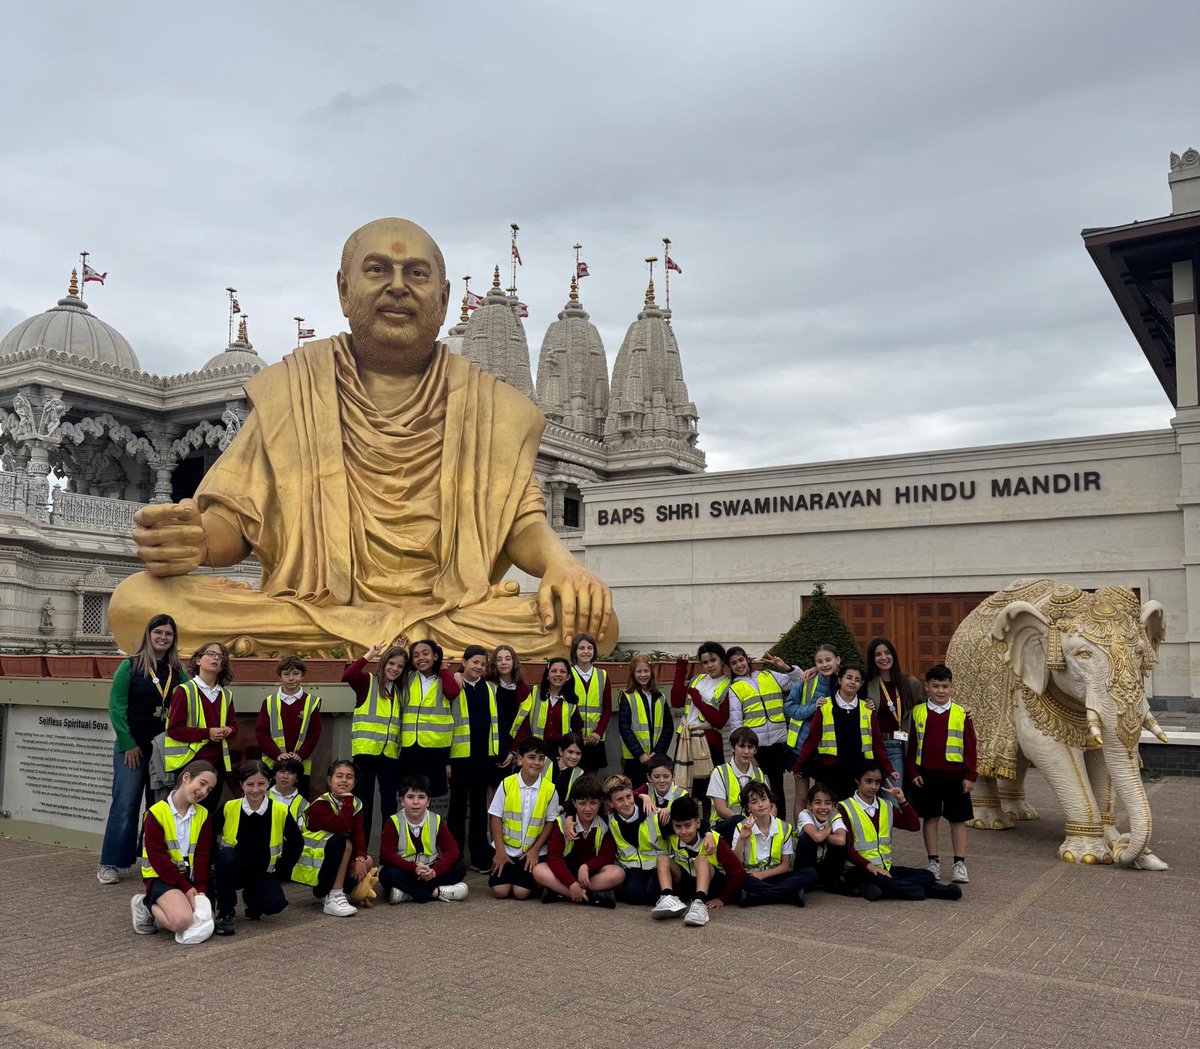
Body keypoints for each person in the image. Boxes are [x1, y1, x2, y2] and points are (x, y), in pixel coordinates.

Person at [111, 217, 618, 660]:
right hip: (316, 607)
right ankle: (404, 642)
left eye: (416, 274)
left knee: (592, 623)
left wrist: (563, 566)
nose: (398, 287)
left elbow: (522, 524)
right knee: (137, 603)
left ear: (442, 299)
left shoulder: (493, 409)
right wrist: (194, 541)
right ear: (344, 290)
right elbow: (235, 521)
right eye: (378, 270)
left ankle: (397, 638)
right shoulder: (293, 391)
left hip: (452, 609)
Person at [99, 613, 187, 885]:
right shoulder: (131, 666)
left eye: (168, 634)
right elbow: (116, 707)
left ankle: (154, 859)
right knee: (125, 804)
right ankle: (111, 862)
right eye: (158, 632)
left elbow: (184, 709)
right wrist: (127, 743)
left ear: (173, 640)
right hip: (133, 748)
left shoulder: (178, 672)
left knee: (159, 806)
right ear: (148, 635)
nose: (163, 637)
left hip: (162, 751)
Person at [839, 763, 961, 902]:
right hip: (858, 869)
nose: (873, 786)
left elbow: (914, 825)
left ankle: (876, 889)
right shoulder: (845, 807)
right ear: (857, 781)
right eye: (868, 781)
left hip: (885, 868)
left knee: (927, 875)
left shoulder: (885, 805)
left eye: (877, 782)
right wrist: (870, 866)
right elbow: (847, 848)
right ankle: (938, 891)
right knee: (906, 888)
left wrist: (902, 801)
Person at [130, 760, 218, 938]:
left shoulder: (203, 815)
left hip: (189, 877)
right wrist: (186, 888)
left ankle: (176, 903)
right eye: (202, 783)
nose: (203, 792)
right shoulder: (155, 813)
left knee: (205, 922)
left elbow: (202, 857)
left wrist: (200, 890)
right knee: (182, 922)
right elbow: (158, 860)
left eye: (209, 789)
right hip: (162, 877)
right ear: (186, 778)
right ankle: (146, 904)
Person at [214, 760, 303, 935]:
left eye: (261, 784)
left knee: (275, 904)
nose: (255, 789)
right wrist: (212, 863)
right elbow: (209, 836)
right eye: (250, 784)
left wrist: (282, 869)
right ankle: (226, 911)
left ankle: (252, 900)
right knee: (225, 856)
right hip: (233, 869)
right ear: (241, 785)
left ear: (269, 783)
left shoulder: (280, 810)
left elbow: (296, 842)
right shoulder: (229, 808)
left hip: (262, 872)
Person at [907, 664, 976, 884]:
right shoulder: (917, 713)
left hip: (955, 776)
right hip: (927, 776)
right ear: (926, 687)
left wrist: (970, 775)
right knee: (931, 818)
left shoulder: (961, 714)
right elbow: (911, 745)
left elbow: (970, 747)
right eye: (935, 686)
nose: (940, 691)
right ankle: (933, 862)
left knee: (958, 820)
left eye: (945, 686)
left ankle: (959, 863)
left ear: (951, 687)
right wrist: (912, 770)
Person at [726, 646, 810, 821]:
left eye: (741, 660)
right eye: (734, 663)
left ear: (747, 659)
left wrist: (786, 667)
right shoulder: (735, 688)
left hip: (778, 744)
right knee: (758, 793)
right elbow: (736, 724)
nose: (739, 665)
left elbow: (800, 681)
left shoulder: (768, 675)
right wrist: (745, 753)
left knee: (778, 790)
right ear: (730, 667)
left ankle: (780, 828)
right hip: (757, 748)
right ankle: (761, 830)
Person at [793, 666, 895, 801]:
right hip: (830, 769)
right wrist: (799, 764)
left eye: (857, 680)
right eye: (849, 677)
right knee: (830, 810)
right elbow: (812, 739)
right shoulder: (825, 706)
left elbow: (876, 742)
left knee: (853, 811)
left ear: (861, 684)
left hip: (858, 769)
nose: (853, 682)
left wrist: (889, 769)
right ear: (840, 680)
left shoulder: (867, 708)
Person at [343, 640, 407, 848]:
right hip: (365, 755)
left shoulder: (400, 692)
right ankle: (360, 853)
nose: (394, 669)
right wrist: (370, 654)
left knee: (389, 807)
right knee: (364, 806)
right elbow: (348, 675)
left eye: (399, 666)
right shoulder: (367, 682)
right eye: (391, 663)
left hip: (389, 756)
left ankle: (388, 853)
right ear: (383, 663)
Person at [163, 641, 237, 824]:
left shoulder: (225, 695)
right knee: (183, 813)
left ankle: (202, 852)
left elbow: (234, 728)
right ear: (198, 660)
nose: (215, 659)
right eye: (211, 654)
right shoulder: (184, 691)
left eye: (220, 657)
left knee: (206, 814)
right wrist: (208, 733)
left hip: (216, 764)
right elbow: (174, 730)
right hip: (190, 763)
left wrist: (229, 730)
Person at [650, 795, 746, 927]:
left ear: (698, 823)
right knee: (662, 858)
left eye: (688, 826)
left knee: (701, 860)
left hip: (711, 885)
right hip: (686, 882)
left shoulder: (715, 840)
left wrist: (723, 899)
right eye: (678, 826)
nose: (683, 832)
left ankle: (699, 904)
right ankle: (668, 897)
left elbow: (738, 872)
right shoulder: (671, 834)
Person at [293, 759, 372, 917]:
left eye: (349, 777)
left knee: (367, 860)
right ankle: (333, 896)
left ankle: (350, 892)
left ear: (355, 782)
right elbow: (340, 827)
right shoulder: (320, 804)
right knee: (344, 843)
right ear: (330, 781)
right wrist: (348, 800)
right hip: (317, 868)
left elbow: (359, 833)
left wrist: (361, 859)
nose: (344, 780)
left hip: (333, 861)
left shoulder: (356, 803)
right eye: (339, 776)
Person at [449, 645, 502, 872]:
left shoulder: (490, 688)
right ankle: (455, 855)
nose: (479, 667)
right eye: (475, 662)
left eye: (483, 664)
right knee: (457, 809)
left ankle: (480, 856)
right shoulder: (455, 686)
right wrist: (447, 761)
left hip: (483, 758)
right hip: (460, 758)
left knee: (481, 808)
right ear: (464, 662)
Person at [534, 774, 623, 906]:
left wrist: (586, 867)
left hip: (589, 876)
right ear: (574, 803)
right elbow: (554, 858)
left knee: (618, 873)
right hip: (564, 873)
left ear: (600, 803)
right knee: (539, 870)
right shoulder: (562, 823)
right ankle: (586, 895)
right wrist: (571, 883)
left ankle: (561, 893)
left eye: (593, 802)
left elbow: (607, 856)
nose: (588, 809)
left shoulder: (604, 824)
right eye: (582, 803)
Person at [488, 738, 559, 900]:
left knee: (521, 893)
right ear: (520, 759)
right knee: (500, 892)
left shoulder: (550, 790)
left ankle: (534, 881)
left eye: (541, 758)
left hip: (532, 852)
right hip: (505, 849)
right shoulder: (507, 784)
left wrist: (535, 850)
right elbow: (496, 817)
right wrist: (499, 851)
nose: (537, 762)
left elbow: (550, 823)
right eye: (532, 757)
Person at [380, 774, 468, 903]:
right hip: (407, 869)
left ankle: (407, 893)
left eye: (421, 797)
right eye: (410, 797)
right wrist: (414, 869)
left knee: (459, 868)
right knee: (386, 875)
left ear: (428, 802)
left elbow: (452, 851)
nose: (416, 802)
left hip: (430, 870)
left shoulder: (436, 820)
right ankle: (437, 892)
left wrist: (434, 872)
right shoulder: (393, 822)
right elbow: (386, 856)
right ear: (402, 801)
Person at [669, 642, 731, 813]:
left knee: (707, 791)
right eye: (705, 662)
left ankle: (708, 827)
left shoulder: (728, 685)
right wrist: (681, 670)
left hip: (709, 742)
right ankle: (689, 823)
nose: (710, 665)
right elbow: (676, 701)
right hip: (685, 738)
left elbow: (719, 720)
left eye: (713, 660)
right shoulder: (697, 680)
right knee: (687, 788)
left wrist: (697, 699)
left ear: (722, 660)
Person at [862, 637, 925, 801]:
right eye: (878, 654)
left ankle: (887, 827)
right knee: (870, 799)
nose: (883, 657)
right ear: (872, 659)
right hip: (871, 747)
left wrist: (962, 711)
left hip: (896, 747)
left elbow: (927, 708)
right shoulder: (867, 685)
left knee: (892, 800)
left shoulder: (909, 683)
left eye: (887, 653)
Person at [731, 781, 813, 906]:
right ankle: (790, 895)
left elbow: (785, 866)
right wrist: (742, 839)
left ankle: (755, 899)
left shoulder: (784, 827)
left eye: (764, 799)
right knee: (740, 881)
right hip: (751, 877)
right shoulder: (740, 828)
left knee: (810, 873)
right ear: (748, 808)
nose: (760, 804)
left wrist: (762, 875)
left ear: (770, 802)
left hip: (774, 874)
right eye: (754, 802)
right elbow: (736, 865)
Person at [784, 643, 841, 812]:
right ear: (815, 664)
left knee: (822, 798)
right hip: (802, 748)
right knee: (802, 797)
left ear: (838, 660)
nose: (824, 665)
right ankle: (799, 835)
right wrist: (812, 708)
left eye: (828, 660)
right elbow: (789, 708)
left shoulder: (844, 680)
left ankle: (821, 835)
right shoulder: (807, 681)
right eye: (819, 661)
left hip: (827, 751)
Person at [401, 639, 461, 797]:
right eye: (415, 655)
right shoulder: (408, 678)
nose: (421, 658)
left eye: (426, 653)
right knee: (409, 794)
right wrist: (398, 652)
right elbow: (385, 676)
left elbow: (453, 692)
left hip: (435, 750)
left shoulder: (444, 679)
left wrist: (444, 670)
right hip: (410, 747)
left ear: (435, 656)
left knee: (430, 795)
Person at [255, 655, 322, 795]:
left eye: (296, 674)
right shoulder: (269, 702)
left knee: (299, 803)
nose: (291, 678)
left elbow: (314, 734)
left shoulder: (311, 702)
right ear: (280, 676)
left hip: (300, 765)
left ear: (302, 676)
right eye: (286, 674)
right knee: (271, 804)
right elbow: (261, 733)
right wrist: (277, 754)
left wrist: (300, 754)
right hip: (273, 765)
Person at [603, 774, 663, 906]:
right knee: (634, 896)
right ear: (610, 803)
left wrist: (707, 832)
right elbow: (582, 799)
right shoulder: (609, 818)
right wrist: (568, 817)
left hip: (657, 865)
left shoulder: (651, 811)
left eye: (629, 797)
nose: (626, 803)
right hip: (632, 866)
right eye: (620, 800)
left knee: (654, 895)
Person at [509, 657, 584, 759]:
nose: (558, 674)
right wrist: (514, 750)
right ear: (547, 675)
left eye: (562, 672)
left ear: (568, 676)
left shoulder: (571, 701)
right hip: (535, 751)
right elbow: (524, 725)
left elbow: (577, 731)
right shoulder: (533, 693)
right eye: (553, 671)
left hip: (560, 754)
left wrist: (575, 754)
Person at [617, 654, 673, 788]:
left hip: (656, 757)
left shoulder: (660, 697)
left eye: (646, 671)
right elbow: (624, 728)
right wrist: (640, 754)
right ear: (633, 673)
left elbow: (668, 727)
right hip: (634, 758)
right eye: (639, 671)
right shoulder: (627, 696)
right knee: (636, 793)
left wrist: (657, 752)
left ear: (652, 673)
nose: (643, 675)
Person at [707, 726, 766, 840]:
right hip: (725, 825)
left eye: (750, 747)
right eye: (742, 746)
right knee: (736, 822)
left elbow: (770, 804)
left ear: (756, 750)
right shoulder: (719, 772)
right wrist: (747, 823)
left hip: (754, 823)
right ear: (732, 747)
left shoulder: (758, 773)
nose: (746, 751)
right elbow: (720, 809)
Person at [487, 644, 527, 796]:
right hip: (490, 747)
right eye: (499, 659)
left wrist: (513, 751)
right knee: (489, 792)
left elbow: (524, 723)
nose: (503, 662)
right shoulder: (488, 684)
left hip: (512, 749)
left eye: (507, 659)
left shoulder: (523, 689)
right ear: (494, 664)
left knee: (507, 794)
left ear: (514, 662)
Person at [793, 783, 849, 893]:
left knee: (845, 841)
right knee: (807, 838)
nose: (823, 807)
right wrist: (830, 829)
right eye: (817, 803)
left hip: (822, 863)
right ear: (810, 805)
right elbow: (816, 837)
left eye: (827, 803)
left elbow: (841, 840)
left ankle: (832, 881)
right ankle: (806, 884)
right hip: (803, 866)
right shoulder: (805, 814)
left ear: (833, 806)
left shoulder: (835, 814)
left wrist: (820, 834)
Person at [570, 634, 612, 773]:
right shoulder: (568, 675)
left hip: (595, 740)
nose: (586, 651)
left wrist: (598, 733)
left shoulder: (603, 675)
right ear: (575, 652)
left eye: (589, 648)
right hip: (574, 739)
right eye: (581, 648)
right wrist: (576, 734)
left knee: (592, 780)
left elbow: (607, 709)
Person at [637, 754, 688, 827]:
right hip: (651, 838)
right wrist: (643, 796)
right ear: (649, 777)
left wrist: (671, 809)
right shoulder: (647, 788)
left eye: (666, 776)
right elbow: (630, 794)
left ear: (673, 776)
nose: (661, 780)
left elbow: (691, 816)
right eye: (656, 777)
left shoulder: (682, 794)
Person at [549, 732, 585, 813]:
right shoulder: (545, 763)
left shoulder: (580, 774)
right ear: (561, 751)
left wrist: (561, 808)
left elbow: (576, 799)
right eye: (570, 752)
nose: (574, 757)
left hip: (561, 816)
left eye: (578, 753)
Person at [268, 756, 309, 822]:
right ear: (274, 775)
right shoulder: (262, 796)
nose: (285, 776)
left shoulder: (304, 804)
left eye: (291, 773)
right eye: (282, 771)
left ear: (297, 778)